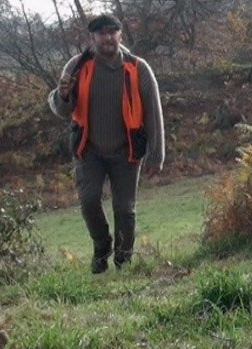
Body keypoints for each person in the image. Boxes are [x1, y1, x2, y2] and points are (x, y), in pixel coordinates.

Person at [48, 13, 165, 274]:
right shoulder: (77, 65)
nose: (108, 37)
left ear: (120, 35)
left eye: (113, 32)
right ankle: (102, 247)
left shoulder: (138, 67)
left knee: (125, 208)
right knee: (89, 200)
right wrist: (63, 95)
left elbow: (153, 112)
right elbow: (61, 108)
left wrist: (157, 155)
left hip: (127, 150)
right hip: (89, 149)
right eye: (102, 33)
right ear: (93, 37)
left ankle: (123, 260)